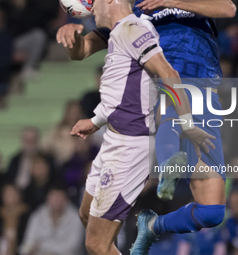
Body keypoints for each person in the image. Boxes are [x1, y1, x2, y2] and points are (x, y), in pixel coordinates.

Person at [58, 0, 217, 253]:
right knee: (86, 214)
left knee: (96, 244)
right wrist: (97, 120)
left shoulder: (132, 29)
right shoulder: (121, 31)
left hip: (129, 149)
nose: (91, 11)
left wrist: (188, 124)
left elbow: (169, 75)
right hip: (113, 139)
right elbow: (125, 88)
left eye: (94, 3)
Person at [20, 185, 83, 255]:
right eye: (53, 197)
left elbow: (73, 245)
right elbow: (27, 243)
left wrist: (41, 245)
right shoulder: (37, 215)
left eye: (60, 197)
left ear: (66, 199)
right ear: (47, 198)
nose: (57, 201)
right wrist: (26, 250)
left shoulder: (76, 218)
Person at [0, 184, 30, 255]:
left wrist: (18, 250)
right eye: (7, 193)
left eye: (13, 193)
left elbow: (30, 240)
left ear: (20, 195)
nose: (10, 196)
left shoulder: (27, 215)